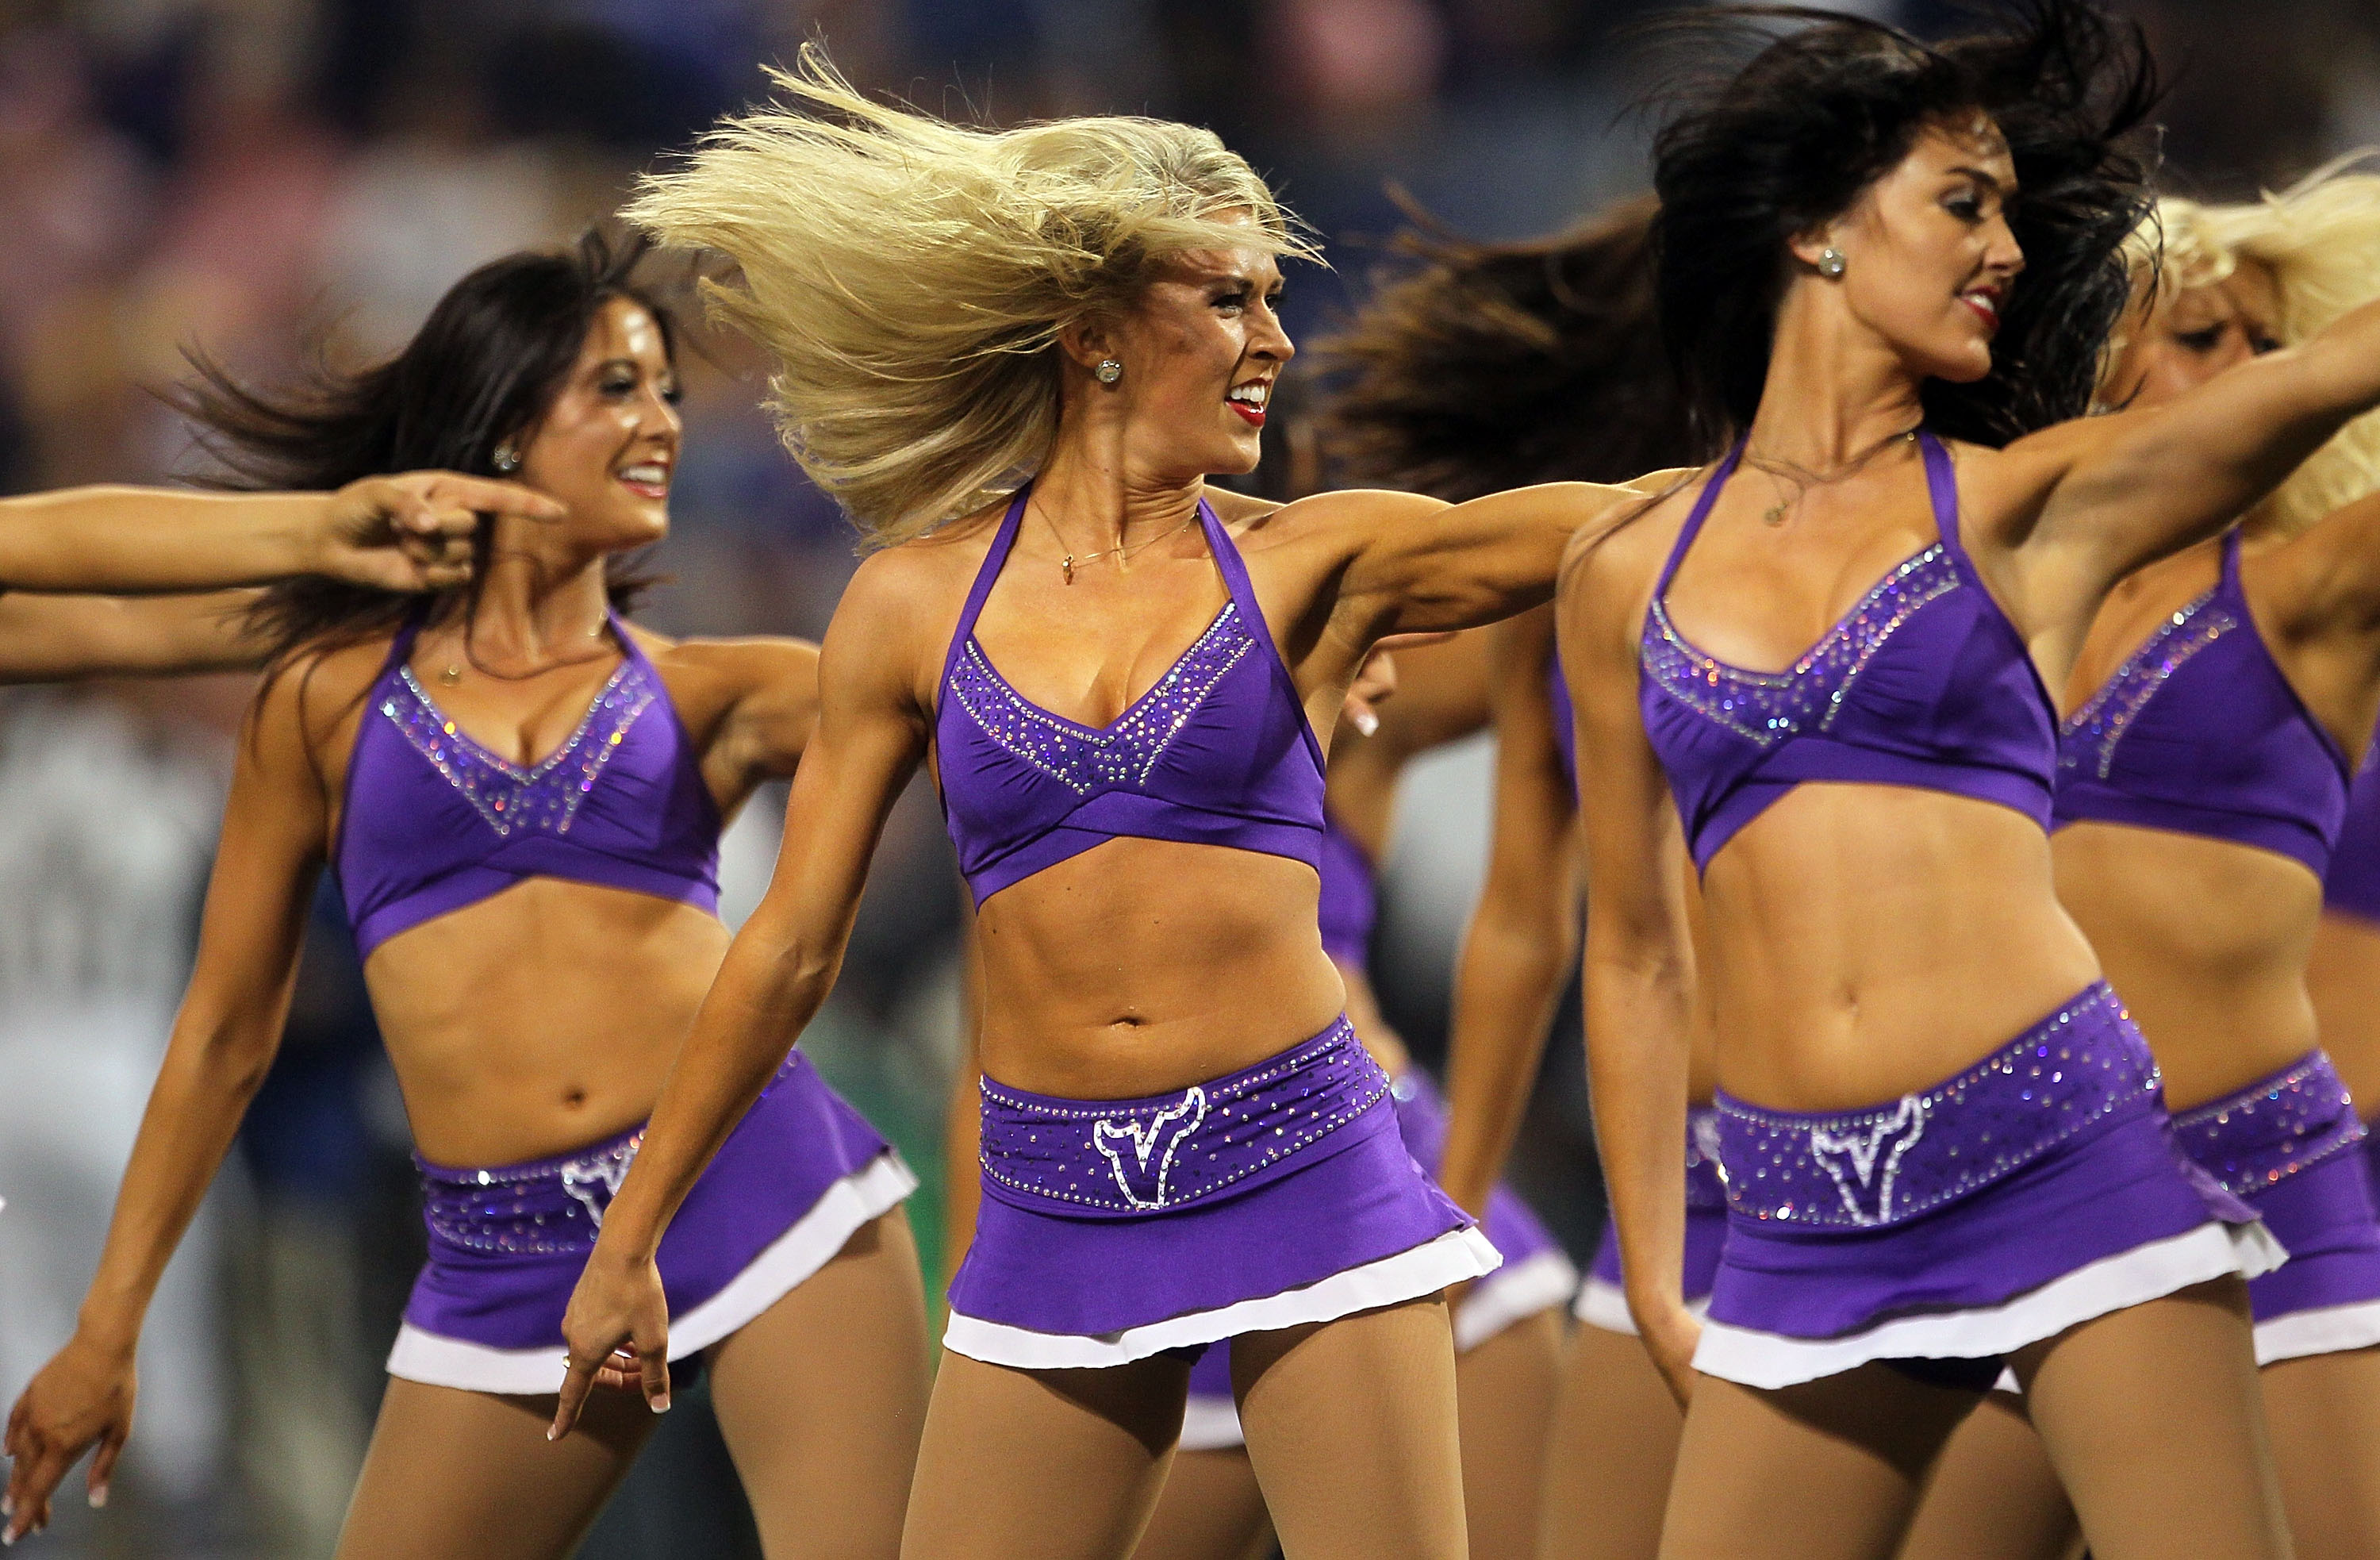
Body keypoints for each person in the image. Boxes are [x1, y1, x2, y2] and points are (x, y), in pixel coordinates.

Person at [551, 52, 1668, 1560]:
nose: (1274, 337)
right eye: (1229, 298)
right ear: (1094, 337)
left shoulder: (1315, 562)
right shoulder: (906, 605)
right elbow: (787, 952)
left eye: (1275, 296)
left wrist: (1837, 444)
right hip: (1053, 1207)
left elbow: (1630, 527)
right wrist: (630, 1242)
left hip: (1308, 1171)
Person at [1557, 3, 2380, 1552]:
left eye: (2011, 211)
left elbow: (2326, 382)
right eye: (1962, 203)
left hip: (2061, 1153)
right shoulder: (1622, 568)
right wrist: (1661, 1273)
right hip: (1799, 1222)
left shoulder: (2024, 512)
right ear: (1815, 229)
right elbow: (1636, 949)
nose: (2003, 246)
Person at [1, 232, 930, 1558]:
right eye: (616, 386)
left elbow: (999, 690)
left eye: (665, 388)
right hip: (504, 1255)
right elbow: (222, 1034)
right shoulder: (322, 697)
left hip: (762, 1192)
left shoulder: (715, 689)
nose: (662, 419)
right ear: (500, 426)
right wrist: (106, 1328)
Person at [1903, 166, 2380, 1560]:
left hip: (2272, 1193)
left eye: (2262, 345)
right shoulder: (1986, 585)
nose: (2240, 372)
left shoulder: (2311, 587)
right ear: (2090, 359)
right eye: (2193, 334)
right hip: (2032, 1186)